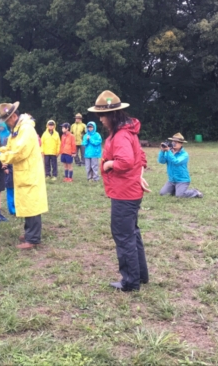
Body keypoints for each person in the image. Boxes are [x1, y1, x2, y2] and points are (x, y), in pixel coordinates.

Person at [89, 90, 150, 292]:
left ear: (113, 115)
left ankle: (130, 282)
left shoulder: (121, 135)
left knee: (123, 236)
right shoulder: (127, 132)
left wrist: (109, 165)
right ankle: (140, 275)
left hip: (124, 194)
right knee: (132, 234)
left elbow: (126, 161)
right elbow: (141, 157)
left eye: (103, 115)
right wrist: (139, 175)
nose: (100, 119)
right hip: (130, 191)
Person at [0, 102, 48, 249]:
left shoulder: (26, 129)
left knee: (32, 205)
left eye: (7, 120)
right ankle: (29, 233)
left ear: (14, 116)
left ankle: (33, 239)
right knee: (27, 204)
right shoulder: (17, 128)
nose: (7, 123)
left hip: (30, 173)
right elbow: (10, 147)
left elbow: (20, 152)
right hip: (24, 172)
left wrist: (0, 156)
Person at [158, 133, 203, 198]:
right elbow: (161, 161)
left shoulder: (184, 154)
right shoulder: (169, 152)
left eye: (177, 142)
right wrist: (162, 151)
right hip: (171, 180)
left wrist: (168, 151)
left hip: (182, 180)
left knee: (180, 195)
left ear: (181, 144)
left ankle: (195, 192)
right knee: (163, 193)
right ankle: (176, 189)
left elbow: (176, 162)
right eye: (173, 141)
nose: (174, 143)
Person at [0, 121, 16, 216]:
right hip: (9, 169)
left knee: (16, 190)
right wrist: (5, 167)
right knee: (10, 190)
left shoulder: (17, 139)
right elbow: (3, 154)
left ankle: (17, 208)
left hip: (16, 169)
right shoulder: (5, 140)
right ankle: (12, 210)